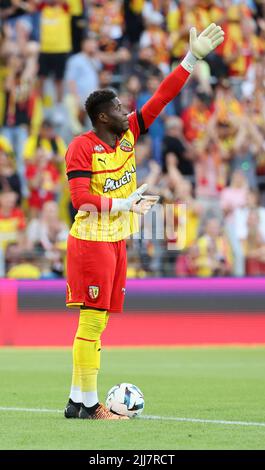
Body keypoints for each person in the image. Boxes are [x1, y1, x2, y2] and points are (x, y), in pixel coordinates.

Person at [64, 24, 224, 420]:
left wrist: (190, 59)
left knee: (98, 325)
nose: (126, 111)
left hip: (115, 239)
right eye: (118, 108)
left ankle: (75, 401)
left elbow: (163, 96)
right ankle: (88, 405)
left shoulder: (129, 134)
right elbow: (81, 200)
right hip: (91, 239)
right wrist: (125, 202)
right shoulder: (82, 147)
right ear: (103, 116)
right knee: (92, 320)